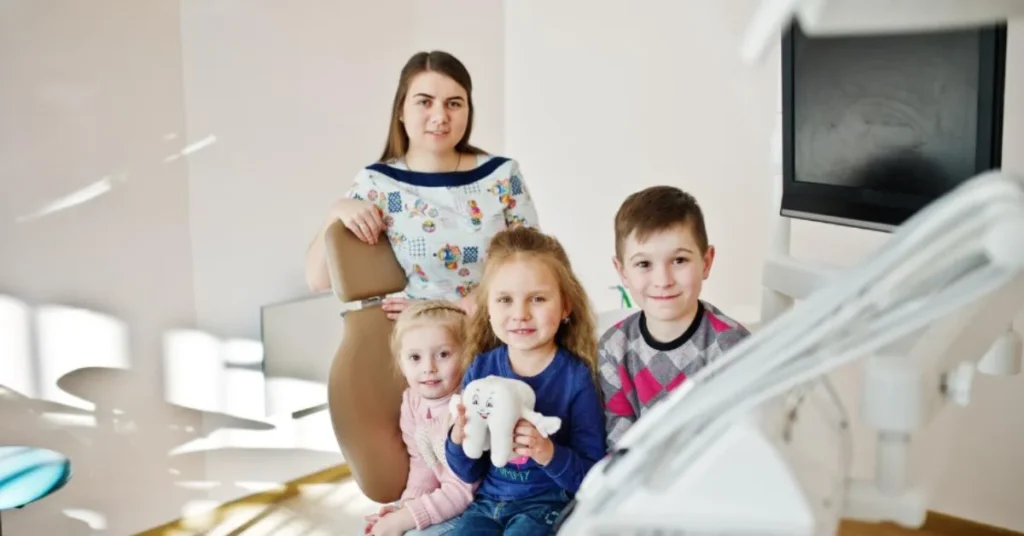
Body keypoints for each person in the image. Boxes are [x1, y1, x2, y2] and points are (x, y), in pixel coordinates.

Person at [304, 50, 540, 319]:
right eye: (425, 102)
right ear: (401, 110)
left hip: (497, 332)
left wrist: (460, 306)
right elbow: (317, 281)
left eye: (454, 103)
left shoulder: (502, 175)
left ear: (468, 111)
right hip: (421, 346)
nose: (440, 116)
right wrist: (336, 210)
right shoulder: (377, 183)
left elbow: (535, 263)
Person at [444, 227, 606, 535]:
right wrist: (457, 438)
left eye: (538, 299)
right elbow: (466, 470)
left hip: (547, 505)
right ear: (487, 309)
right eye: (505, 299)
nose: (520, 314)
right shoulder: (482, 367)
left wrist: (547, 452)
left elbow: (592, 474)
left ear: (566, 307)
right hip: (487, 502)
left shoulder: (576, 377)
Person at [598, 185, 751, 449]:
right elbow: (619, 439)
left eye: (679, 260)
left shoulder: (730, 345)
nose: (663, 280)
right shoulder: (613, 347)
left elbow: (738, 438)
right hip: (640, 480)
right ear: (622, 271)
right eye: (644, 264)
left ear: (706, 261)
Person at [363, 300, 478, 536]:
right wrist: (406, 505)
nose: (429, 368)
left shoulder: (468, 408)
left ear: (467, 355)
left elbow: (465, 489)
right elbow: (423, 464)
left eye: (443, 354)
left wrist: (403, 520)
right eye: (415, 358)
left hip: (478, 508)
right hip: (447, 500)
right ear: (401, 363)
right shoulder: (412, 401)